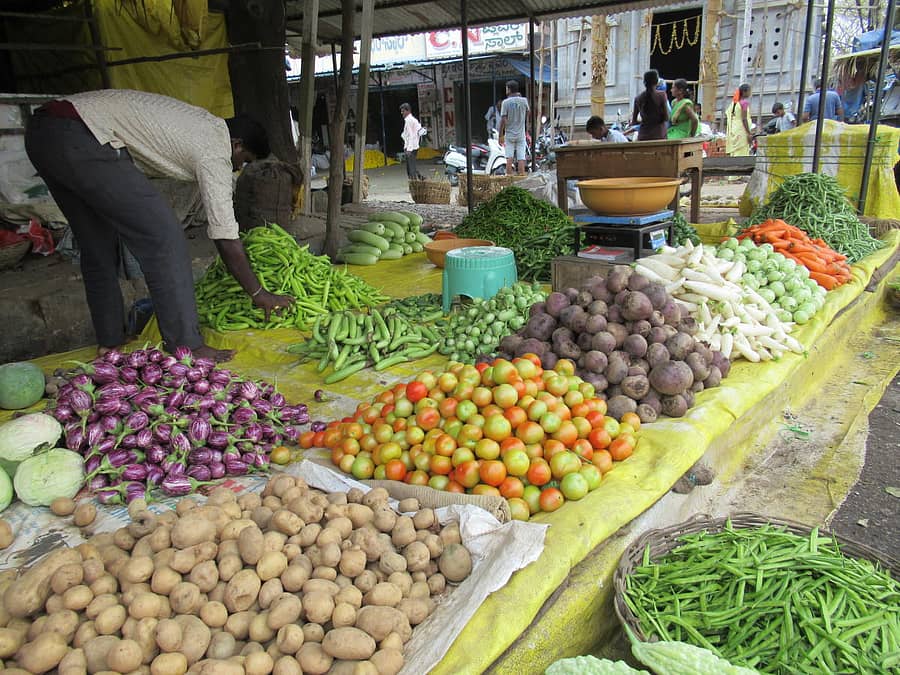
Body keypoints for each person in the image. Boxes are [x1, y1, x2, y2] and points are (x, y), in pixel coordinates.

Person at [24, 89, 293, 363]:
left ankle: (111, 340)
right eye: (244, 160)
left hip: (44, 133)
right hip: (84, 134)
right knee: (164, 236)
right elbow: (224, 234)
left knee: (97, 243)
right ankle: (187, 346)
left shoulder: (201, 122)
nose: (238, 168)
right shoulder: (215, 148)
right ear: (236, 144)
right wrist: (259, 294)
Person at [499, 80, 529, 175]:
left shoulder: (505, 103)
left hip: (509, 134)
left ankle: (509, 180)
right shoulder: (524, 101)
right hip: (521, 134)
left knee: (509, 157)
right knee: (521, 157)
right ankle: (522, 179)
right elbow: (528, 113)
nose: (506, 90)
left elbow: (503, 120)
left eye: (506, 88)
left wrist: (500, 135)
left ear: (509, 89)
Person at [631, 70, 669, 141]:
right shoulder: (662, 95)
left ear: (644, 82)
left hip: (643, 136)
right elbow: (666, 117)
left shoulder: (638, 98)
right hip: (659, 135)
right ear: (657, 81)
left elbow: (634, 122)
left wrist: (645, 120)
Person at [725, 83, 752, 156]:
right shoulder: (744, 103)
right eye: (749, 91)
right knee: (742, 152)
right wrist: (749, 133)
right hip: (741, 130)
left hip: (735, 130)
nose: (750, 93)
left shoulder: (734, 103)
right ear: (744, 92)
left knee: (735, 152)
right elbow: (744, 119)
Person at [399, 103, 424, 180]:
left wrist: (409, 149)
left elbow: (411, 136)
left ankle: (415, 183)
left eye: (403, 111)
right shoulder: (411, 120)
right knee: (410, 167)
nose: (402, 113)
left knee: (411, 169)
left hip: (411, 147)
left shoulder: (409, 121)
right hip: (412, 146)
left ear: (408, 111)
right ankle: (420, 177)